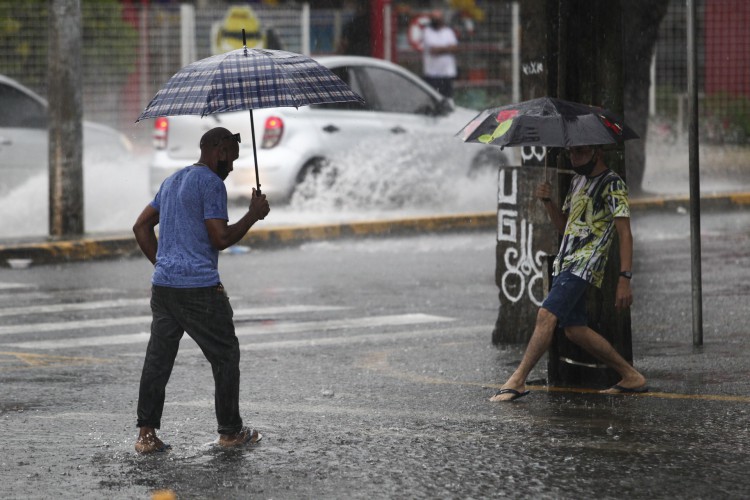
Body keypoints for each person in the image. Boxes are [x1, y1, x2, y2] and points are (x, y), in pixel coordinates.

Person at [132, 127, 271, 452]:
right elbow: (219, 238)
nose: (233, 167)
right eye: (232, 159)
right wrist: (252, 214)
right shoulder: (211, 183)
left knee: (158, 360)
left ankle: (146, 436)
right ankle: (230, 431)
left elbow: (140, 226)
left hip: (164, 287)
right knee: (225, 354)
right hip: (199, 289)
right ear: (220, 150)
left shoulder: (173, 180)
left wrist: (165, 262)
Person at [490, 145, 647, 402]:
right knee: (574, 329)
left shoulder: (612, 184)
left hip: (584, 263)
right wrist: (549, 201)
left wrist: (624, 278)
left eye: (581, 153)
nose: (574, 158)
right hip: (566, 262)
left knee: (546, 314)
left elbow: (625, 233)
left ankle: (517, 380)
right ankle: (630, 376)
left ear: (596, 153)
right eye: (571, 153)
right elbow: (565, 226)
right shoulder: (576, 181)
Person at [421, 9, 458, 99]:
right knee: (434, 99)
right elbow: (433, 50)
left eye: (438, 18)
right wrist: (447, 48)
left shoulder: (448, 31)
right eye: (434, 18)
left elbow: (455, 48)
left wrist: (441, 49)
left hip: (447, 73)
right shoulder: (427, 32)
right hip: (432, 74)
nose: (436, 20)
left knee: (448, 98)